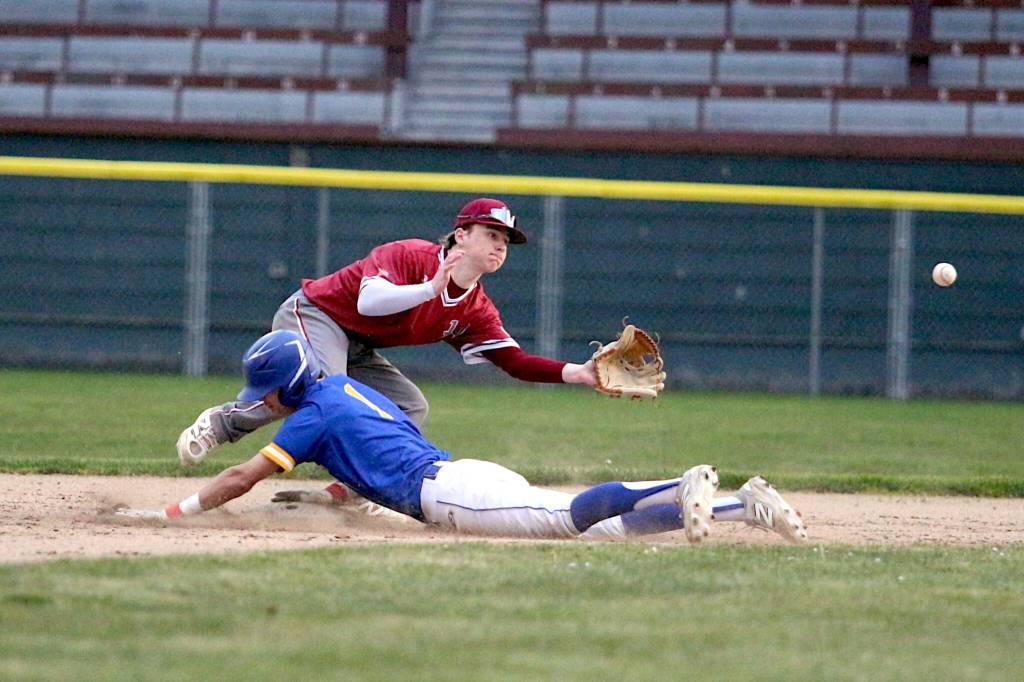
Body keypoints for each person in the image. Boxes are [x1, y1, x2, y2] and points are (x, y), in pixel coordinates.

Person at [127, 330, 808, 544]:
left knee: (567, 515)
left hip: (449, 495)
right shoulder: (339, 391)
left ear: (284, 388)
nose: (261, 405)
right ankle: (740, 505)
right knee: (596, 533)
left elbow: (244, 478)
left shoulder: (309, 415)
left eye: (264, 395)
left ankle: (679, 483)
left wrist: (175, 513)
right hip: (458, 476)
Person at [175, 198, 599, 505]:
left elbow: (513, 361)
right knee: (320, 390)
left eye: (505, 239)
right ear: (460, 236)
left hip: (359, 346)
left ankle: (351, 490)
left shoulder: (476, 308)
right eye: (491, 234)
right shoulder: (411, 256)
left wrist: (577, 372)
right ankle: (223, 422)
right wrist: (429, 290)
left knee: (409, 407)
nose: (500, 245)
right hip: (320, 314)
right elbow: (367, 302)